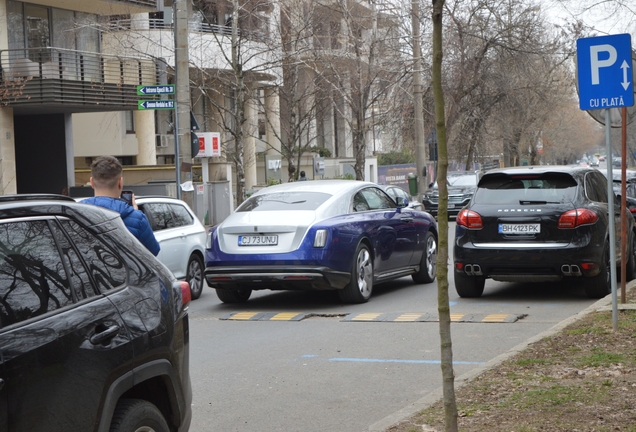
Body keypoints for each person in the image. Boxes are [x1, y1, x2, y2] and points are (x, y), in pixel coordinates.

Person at [82, 156, 160, 256]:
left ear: (92, 182)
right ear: (120, 182)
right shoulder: (138, 219)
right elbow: (153, 253)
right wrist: (135, 214)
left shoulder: (73, 213)